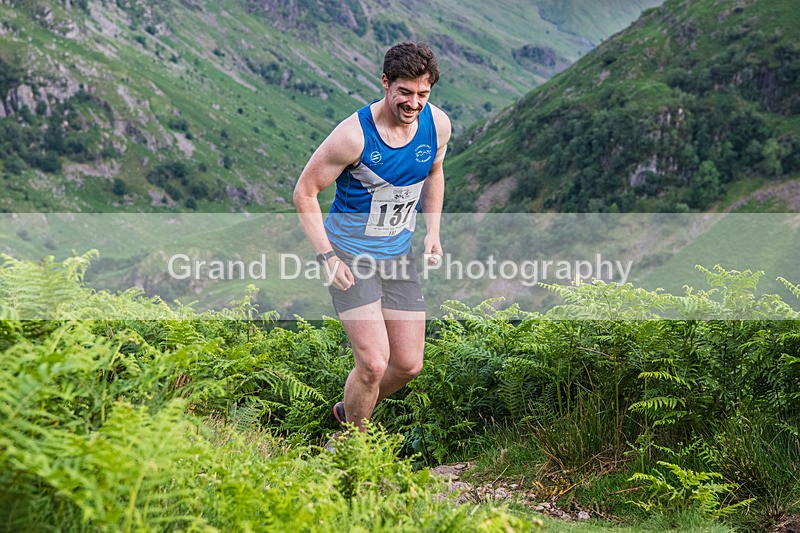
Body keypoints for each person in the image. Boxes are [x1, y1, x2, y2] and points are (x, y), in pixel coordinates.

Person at [293, 42, 451, 432]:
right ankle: (353, 448)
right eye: (405, 92)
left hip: (397, 256)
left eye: (423, 94)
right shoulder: (353, 136)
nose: (414, 103)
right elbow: (305, 192)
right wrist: (327, 258)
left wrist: (432, 230)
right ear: (385, 83)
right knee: (374, 363)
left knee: (408, 365)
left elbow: (433, 173)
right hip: (350, 257)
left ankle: (350, 408)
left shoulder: (438, 124)